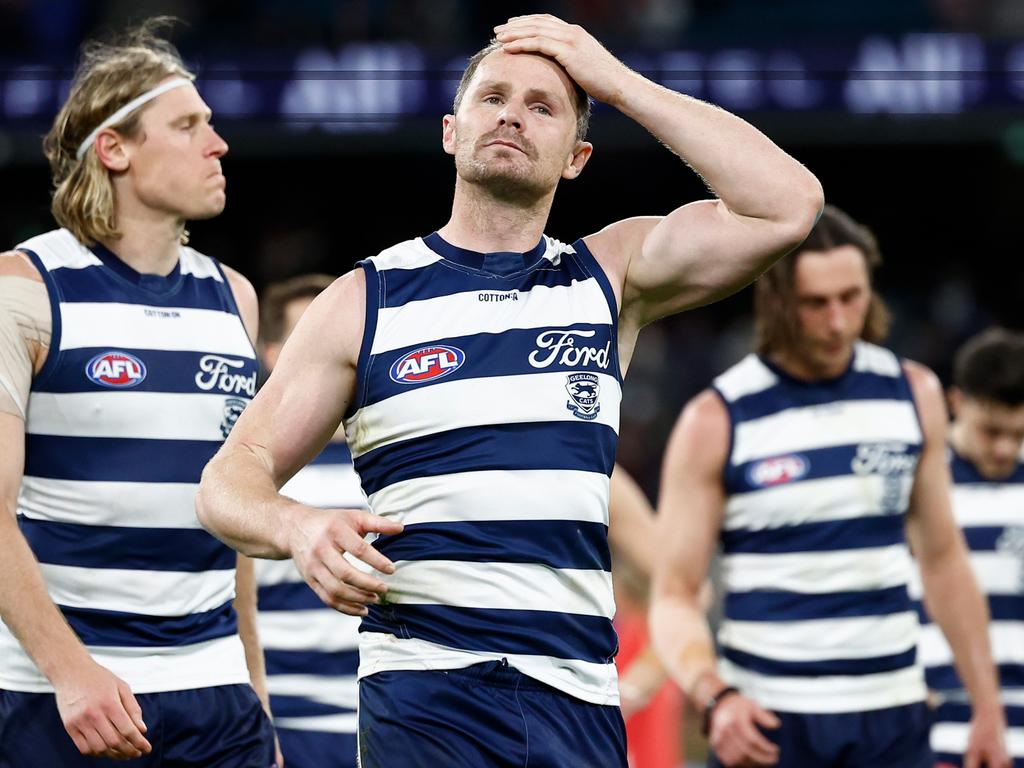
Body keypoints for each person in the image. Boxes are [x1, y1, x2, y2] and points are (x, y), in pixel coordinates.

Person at [196, 13, 823, 767]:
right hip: (426, 692)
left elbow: (787, 205)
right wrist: (296, 525)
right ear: (451, 130)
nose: (512, 115)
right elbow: (226, 480)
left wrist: (615, 80)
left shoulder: (609, 274)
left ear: (576, 157)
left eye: (543, 105)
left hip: (578, 695)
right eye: (492, 96)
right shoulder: (367, 298)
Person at [0, 19, 278, 766]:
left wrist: (255, 689)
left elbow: (233, 511)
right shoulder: (23, 289)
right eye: (187, 126)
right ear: (114, 149)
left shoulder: (236, 299)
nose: (217, 145)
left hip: (218, 698)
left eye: (212, 126)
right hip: (65, 697)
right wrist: (69, 672)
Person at [649, 204, 1009, 768]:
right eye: (817, 303)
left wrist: (987, 708)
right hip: (768, 725)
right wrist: (714, 696)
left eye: (853, 297)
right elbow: (673, 595)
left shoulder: (914, 394)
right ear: (777, 303)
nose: (839, 321)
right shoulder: (716, 419)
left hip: (893, 718)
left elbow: (943, 561)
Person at [254, 274, 366, 768]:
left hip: (389, 717)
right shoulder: (244, 475)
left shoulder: (404, 459)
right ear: (274, 356)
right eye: (312, 337)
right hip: (283, 726)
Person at [912, 328, 1024, 768]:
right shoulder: (919, 488)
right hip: (935, 724)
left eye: (1017, 434)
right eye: (991, 430)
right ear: (956, 403)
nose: (1004, 448)